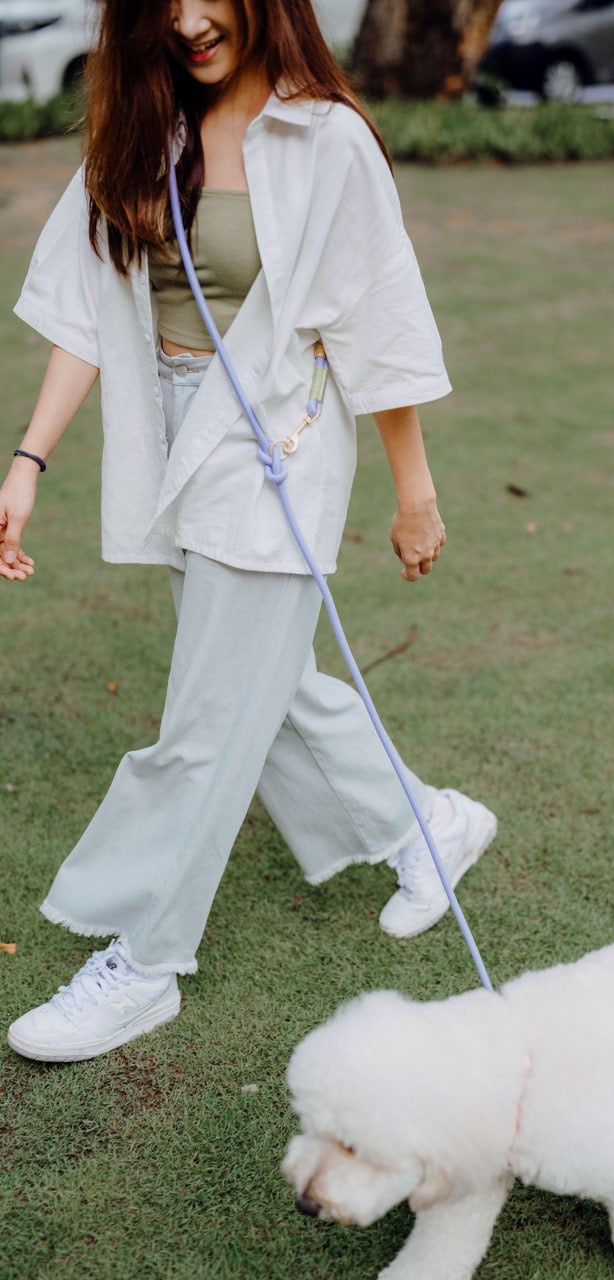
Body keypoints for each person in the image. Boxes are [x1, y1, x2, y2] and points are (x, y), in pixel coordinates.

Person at [1, 0, 496, 1064]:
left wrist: (415, 491)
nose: (186, 20)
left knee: (209, 721)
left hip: (279, 445)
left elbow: (377, 319)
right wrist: (27, 461)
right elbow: (85, 307)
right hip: (177, 444)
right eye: (162, 1)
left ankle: (145, 958)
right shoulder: (148, 126)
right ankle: (428, 824)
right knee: (270, 691)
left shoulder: (326, 138)